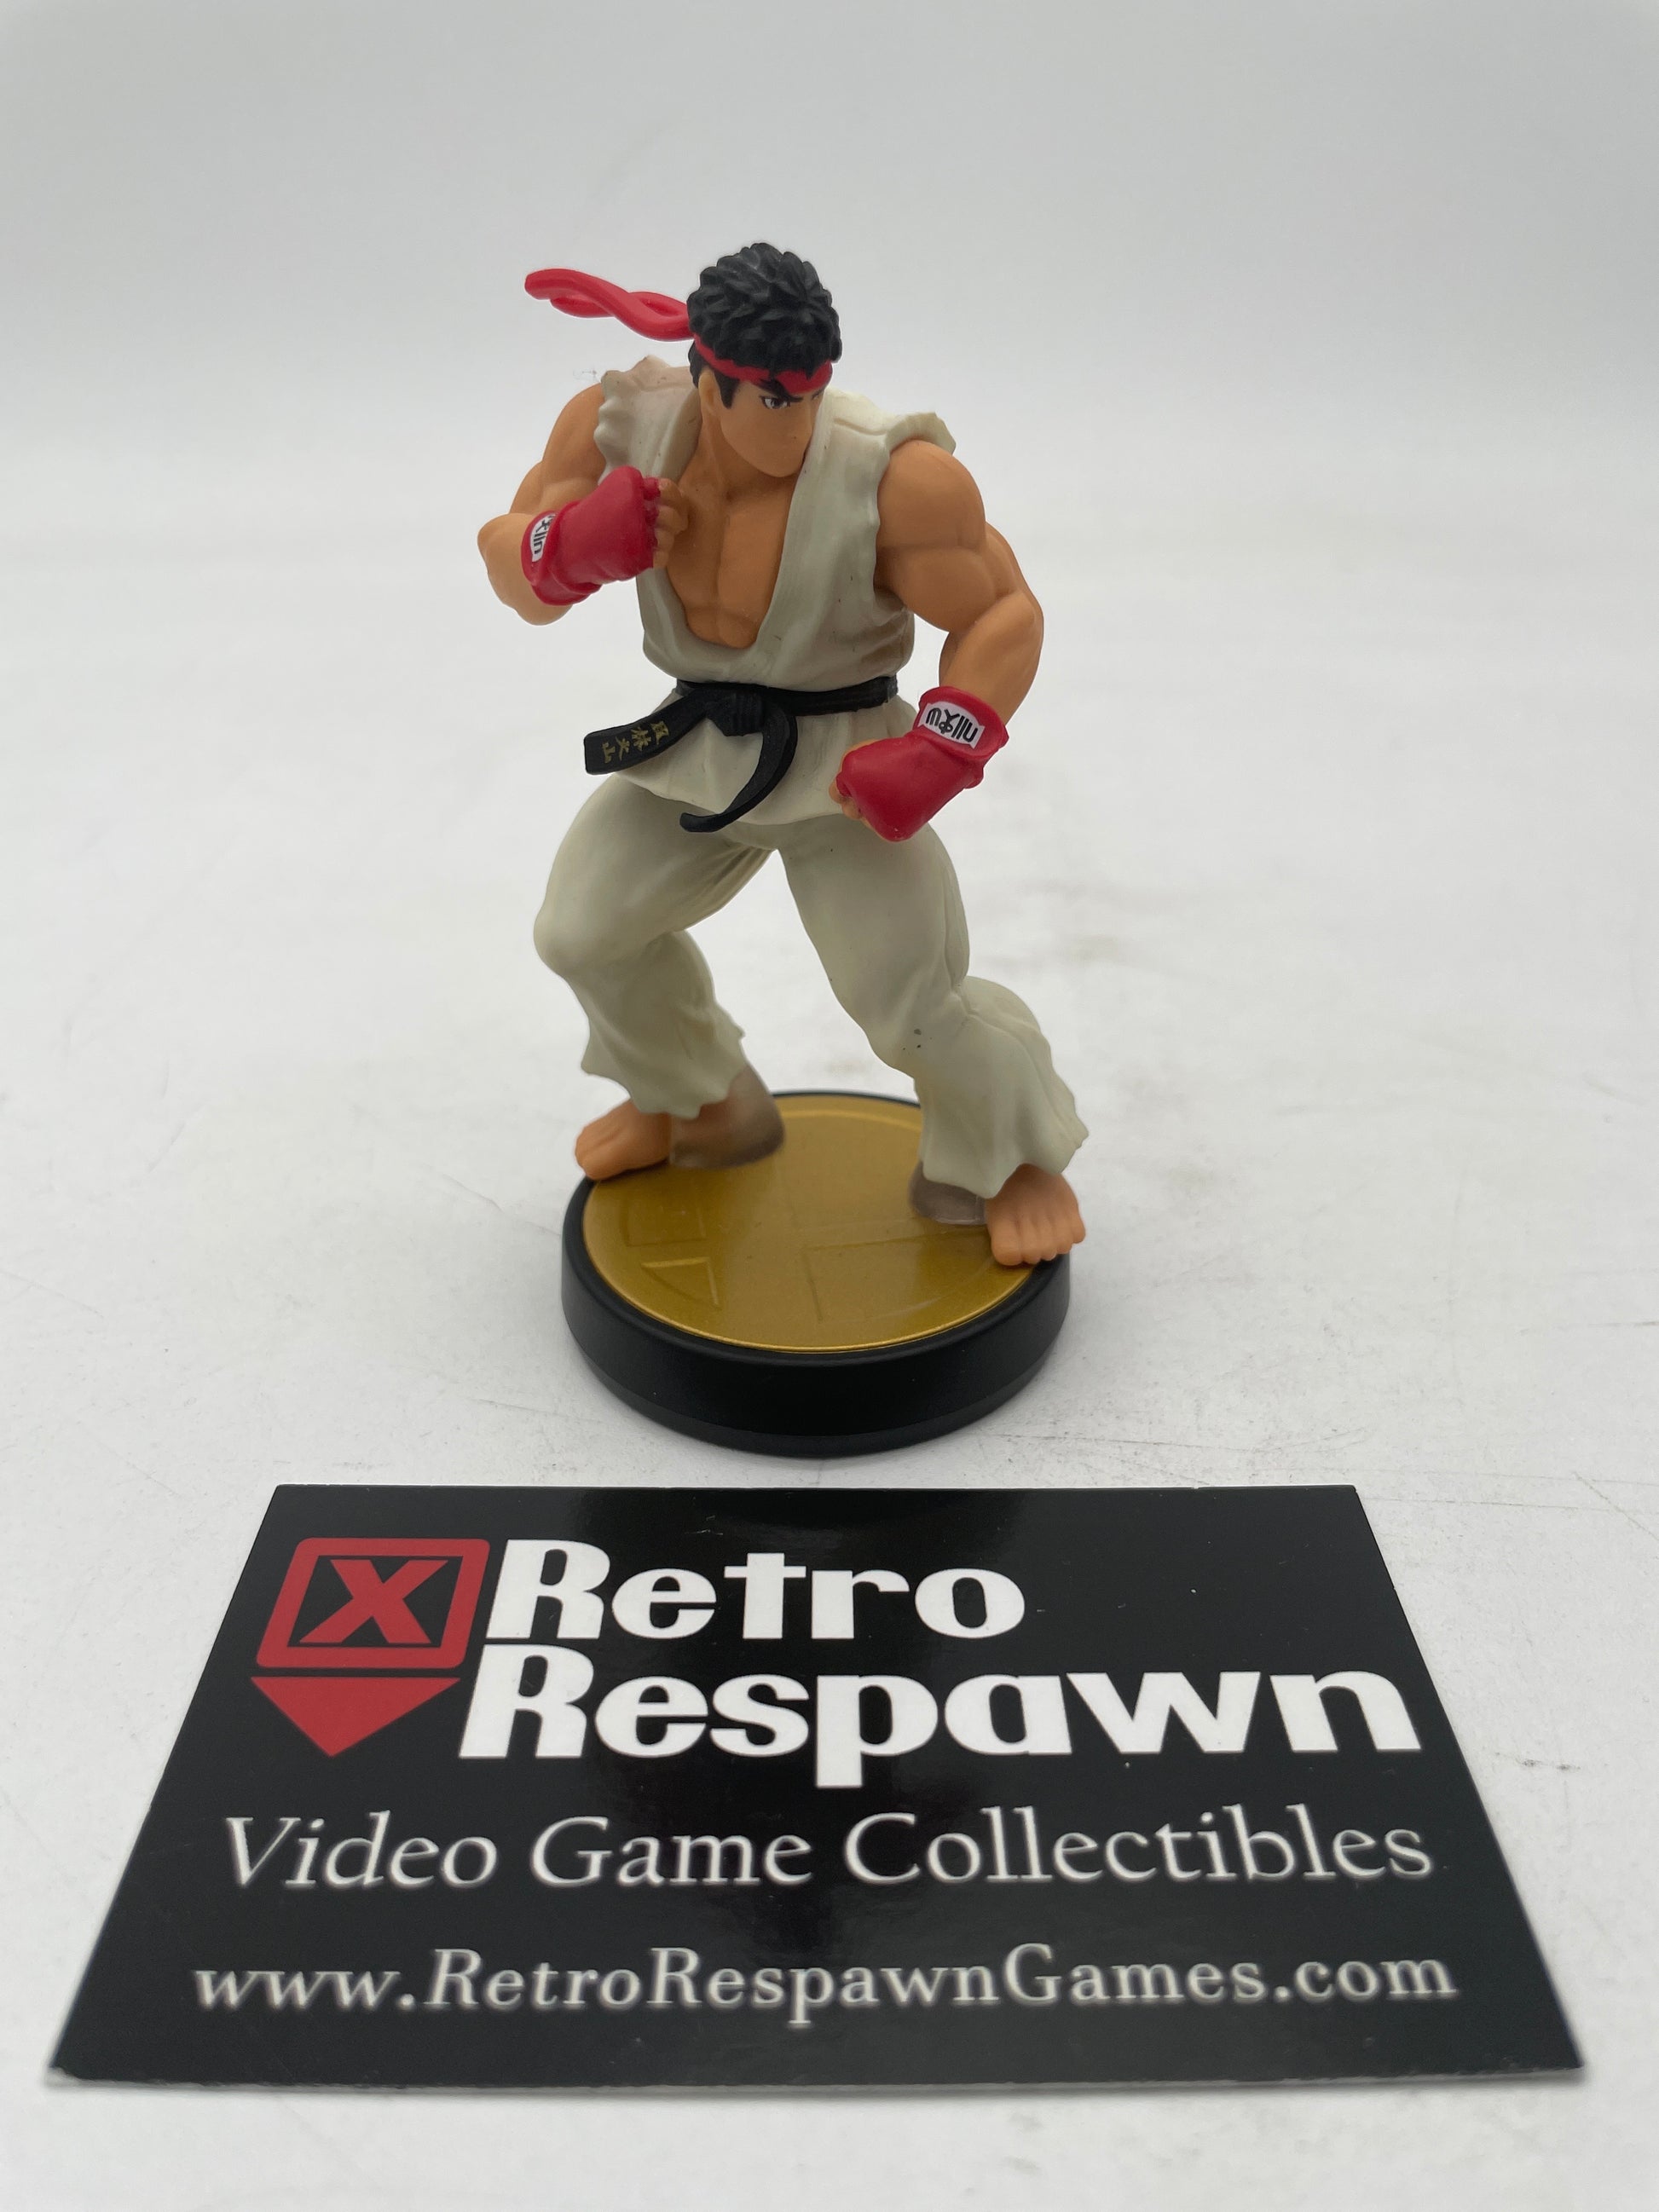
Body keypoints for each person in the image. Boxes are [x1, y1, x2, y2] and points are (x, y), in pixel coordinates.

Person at [477, 245, 1085, 1267]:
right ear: (709, 379)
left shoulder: (892, 477)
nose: (795, 422)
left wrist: (940, 748)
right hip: (697, 746)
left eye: (808, 394)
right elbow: (508, 557)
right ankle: (697, 1099)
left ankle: (1013, 1158)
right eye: (769, 398)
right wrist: (569, 544)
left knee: (911, 1007)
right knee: (582, 932)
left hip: (848, 765)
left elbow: (1003, 613)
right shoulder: (618, 427)